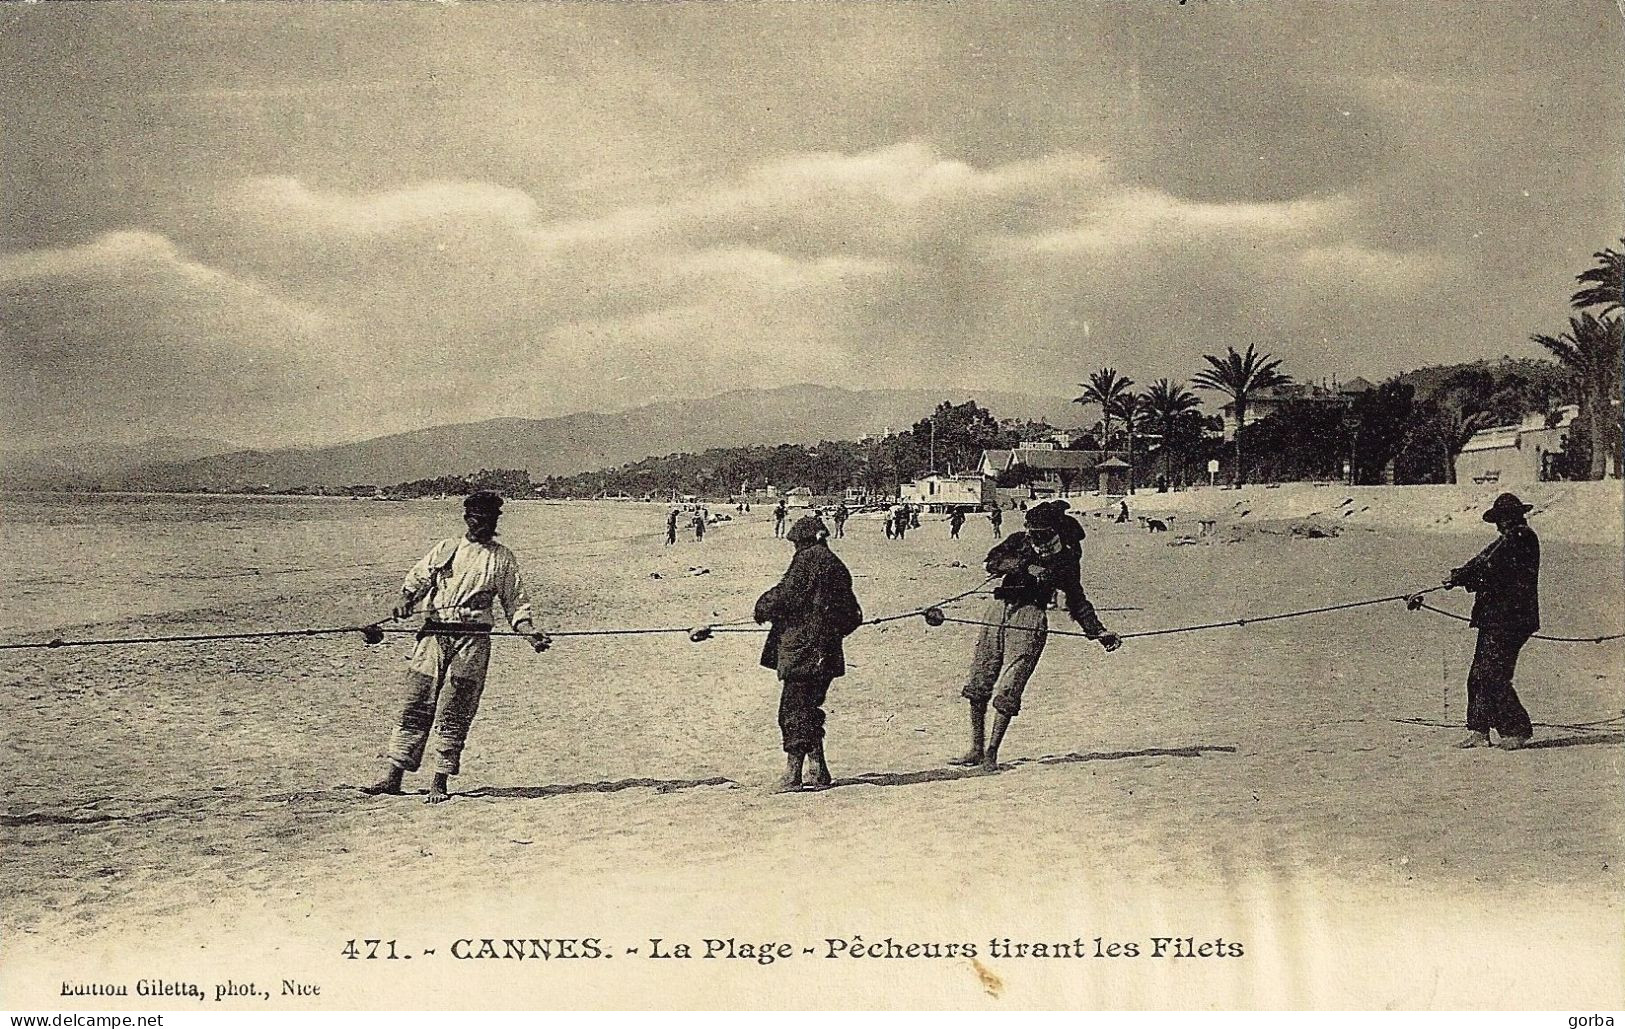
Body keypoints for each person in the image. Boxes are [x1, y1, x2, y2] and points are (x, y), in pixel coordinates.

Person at [363, 491, 550, 804]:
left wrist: (530, 633)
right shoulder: (446, 549)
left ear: (495, 520)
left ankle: (440, 781)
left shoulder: (502, 558)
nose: (483, 525)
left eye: (489, 520)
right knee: (415, 703)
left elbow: (515, 602)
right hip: (433, 636)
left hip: (472, 642)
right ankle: (393, 776)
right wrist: (404, 601)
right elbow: (416, 580)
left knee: (456, 708)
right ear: (467, 518)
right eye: (477, 519)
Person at [951, 503, 1121, 773]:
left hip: (1030, 617)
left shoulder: (1066, 557)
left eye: (1038, 533)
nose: (1031, 537)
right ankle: (975, 748)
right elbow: (992, 562)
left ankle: (991, 754)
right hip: (997, 611)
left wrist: (1098, 631)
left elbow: (1076, 599)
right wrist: (1026, 567)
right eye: (1029, 531)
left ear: (1052, 531)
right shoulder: (1020, 540)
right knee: (980, 678)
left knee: (1011, 685)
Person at [754, 515, 864, 791]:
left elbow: (787, 595)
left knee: (793, 710)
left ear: (804, 541)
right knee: (809, 708)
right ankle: (818, 771)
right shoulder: (835, 563)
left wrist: (762, 607)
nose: (794, 548)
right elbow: (853, 615)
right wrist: (830, 634)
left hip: (804, 651)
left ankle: (793, 776)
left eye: (796, 543)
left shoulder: (809, 559)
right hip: (826, 652)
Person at [1444, 492, 1540, 750]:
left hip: (1511, 619)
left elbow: (1491, 569)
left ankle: (1516, 730)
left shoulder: (1521, 539)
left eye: (1501, 518)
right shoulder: (1508, 540)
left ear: (1511, 518)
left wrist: (1461, 578)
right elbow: (1481, 562)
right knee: (1478, 674)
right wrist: (1460, 576)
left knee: (1493, 674)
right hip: (1493, 618)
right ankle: (1479, 730)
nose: (1498, 524)